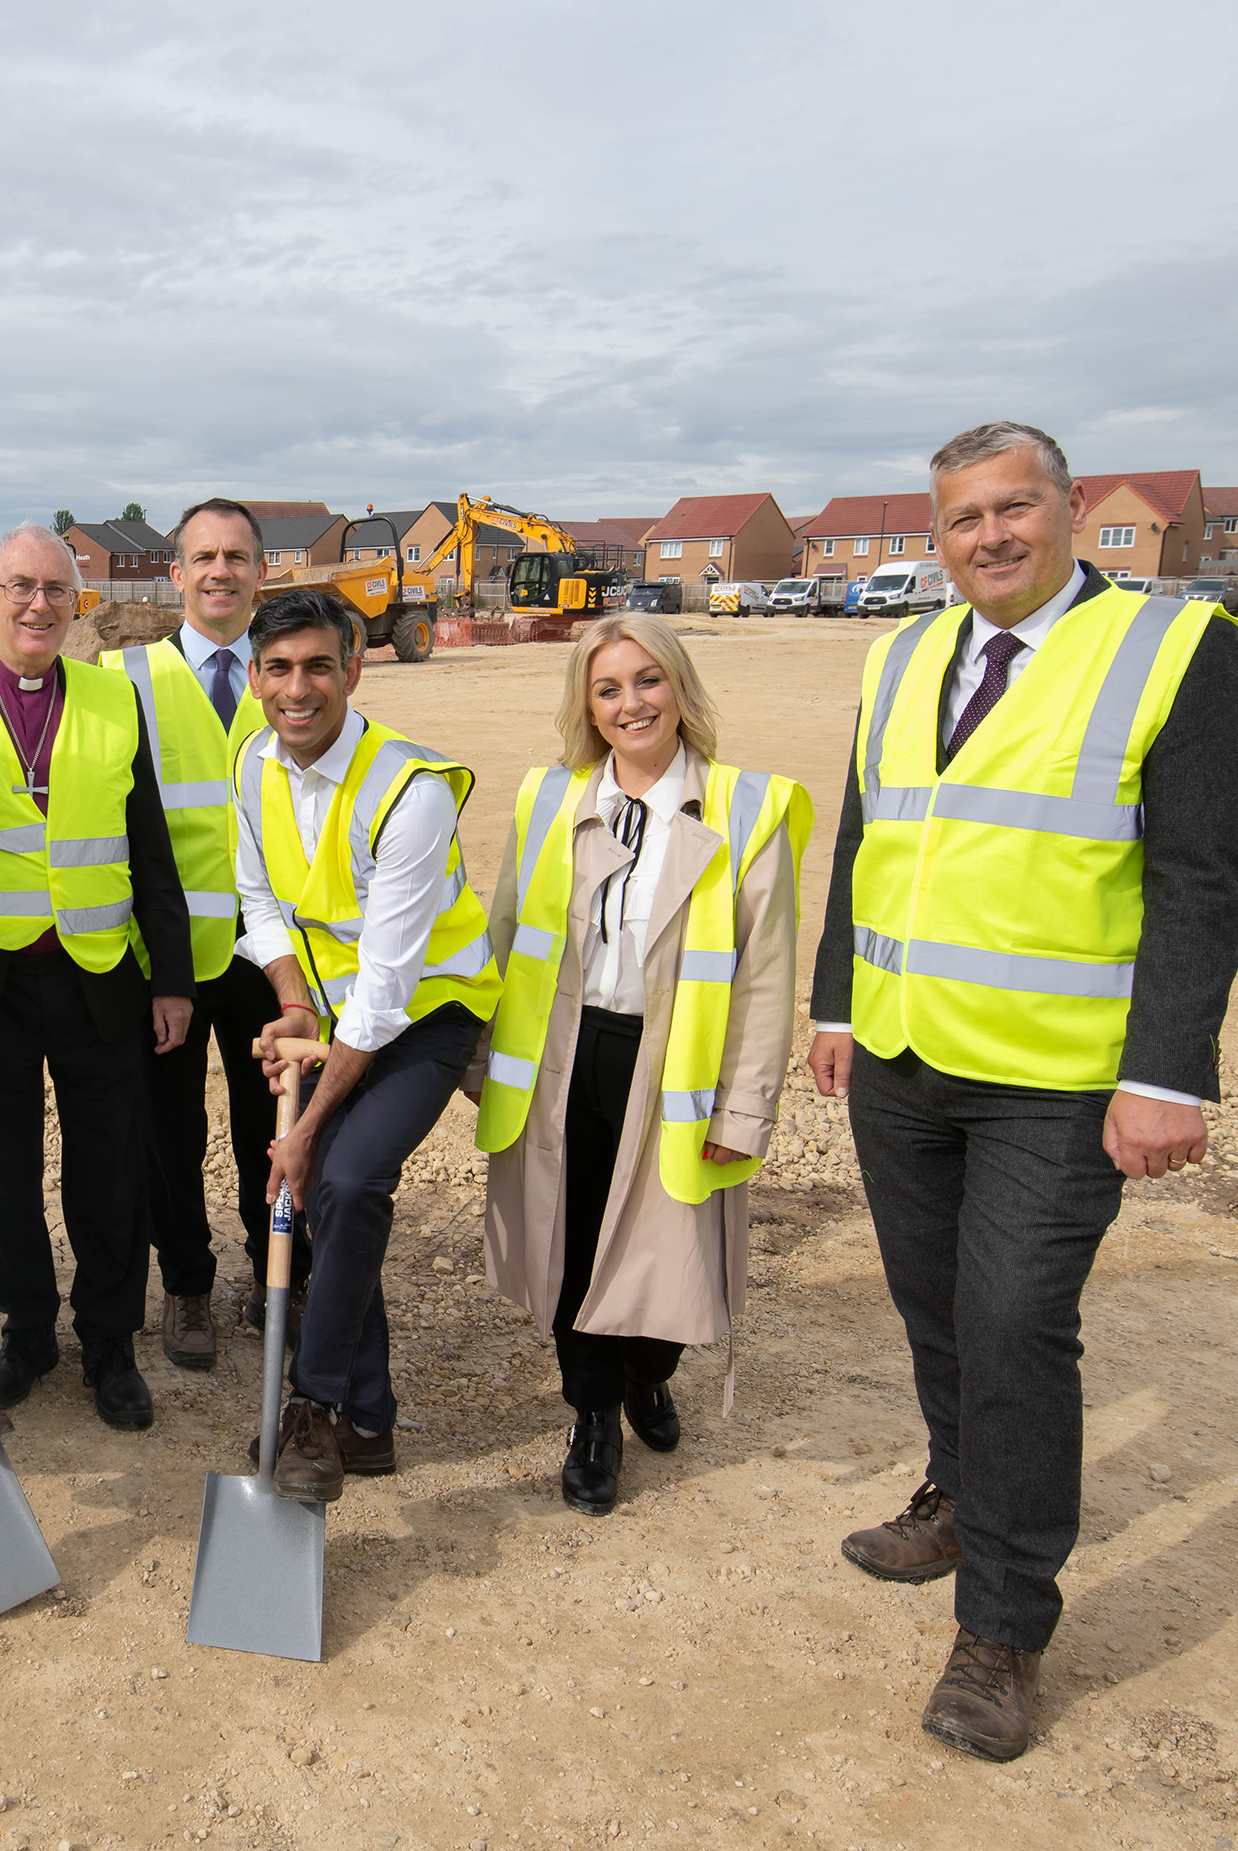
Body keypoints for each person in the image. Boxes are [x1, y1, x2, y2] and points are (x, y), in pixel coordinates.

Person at [809, 421, 1238, 1761]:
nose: (990, 536)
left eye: (1015, 508)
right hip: (897, 1048)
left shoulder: (1176, 649)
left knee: (1010, 1320)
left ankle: (1002, 1627)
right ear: (934, 536)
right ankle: (957, 1488)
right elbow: (865, 833)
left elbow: (1196, 876)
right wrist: (836, 999)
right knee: (933, 1303)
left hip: (1055, 1077)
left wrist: (1166, 1073)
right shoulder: (898, 654)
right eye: (962, 518)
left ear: (1065, 512)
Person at [467, 614, 810, 1516]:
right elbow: (505, 932)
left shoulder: (746, 807)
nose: (631, 704)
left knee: (670, 1256)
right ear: (587, 703)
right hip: (567, 1062)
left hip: (675, 1073)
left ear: (681, 688)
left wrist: (745, 1113)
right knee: (575, 1247)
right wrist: (478, 1057)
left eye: (648, 681)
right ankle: (593, 1413)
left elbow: (765, 977)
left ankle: (652, 1372)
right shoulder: (551, 797)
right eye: (608, 687)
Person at [0, 523, 194, 1431]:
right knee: (10, 1172)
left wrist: (172, 978)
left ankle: (110, 1343)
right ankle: (27, 1332)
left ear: (80, 606)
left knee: (109, 1174)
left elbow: (151, 848)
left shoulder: (115, 703)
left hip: (101, 976)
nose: (38, 606)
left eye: (57, 592)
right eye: (19, 587)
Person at [234, 587, 501, 1500]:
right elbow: (262, 901)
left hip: (428, 1017)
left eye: (317, 665)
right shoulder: (253, 768)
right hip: (338, 1015)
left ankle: (311, 1407)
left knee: (342, 1179)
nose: (296, 688)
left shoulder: (409, 792)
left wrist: (303, 1135)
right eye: (278, 668)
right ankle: (372, 1419)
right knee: (333, 1201)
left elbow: (389, 991)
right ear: (256, 676)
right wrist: (295, 1000)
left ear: (354, 667)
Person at [100, 497, 281, 1370]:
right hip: (163, 956)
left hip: (272, 953)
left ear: (261, 571)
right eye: (203, 556)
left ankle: (277, 1270)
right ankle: (187, 1285)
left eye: (237, 556)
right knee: (167, 1131)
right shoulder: (125, 676)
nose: (220, 571)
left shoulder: (288, 671)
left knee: (270, 1122)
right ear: (176, 573)